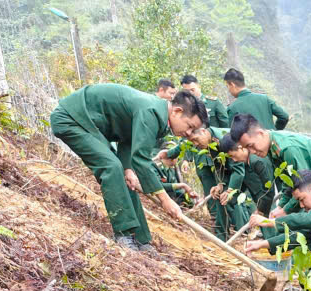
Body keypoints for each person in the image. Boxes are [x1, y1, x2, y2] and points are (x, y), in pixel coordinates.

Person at [50, 83, 207, 252]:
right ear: (177, 111)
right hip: (71, 119)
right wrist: (165, 199)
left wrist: (128, 169)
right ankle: (123, 235)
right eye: (190, 126)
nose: (189, 133)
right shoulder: (151, 111)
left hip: (89, 126)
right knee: (111, 167)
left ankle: (142, 240)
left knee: (125, 178)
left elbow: (128, 138)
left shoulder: (159, 116)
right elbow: (141, 160)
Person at [226, 114, 311, 215]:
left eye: (251, 145)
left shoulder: (287, 149)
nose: (252, 152)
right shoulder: (271, 148)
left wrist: (286, 210)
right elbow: (289, 182)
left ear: (260, 133)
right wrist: (281, 206)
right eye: (247, 148)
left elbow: (303, 185)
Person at [158, 125, 235, 239]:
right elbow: (186, 143)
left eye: (196, 140)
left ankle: (232, 229)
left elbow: (237, 169)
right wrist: (171, 154)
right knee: (217, 196)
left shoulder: (221, 138)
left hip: (232, 166)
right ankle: (222, 232)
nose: (195, 144)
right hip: (210, 166)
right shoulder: (198, 138)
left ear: (203, 131)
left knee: (231, 196)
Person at [217, 134, 276, 227]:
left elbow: (269, 189)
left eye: (233, 156)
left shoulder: (257, 160)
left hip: (267, 204)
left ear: (240, 147)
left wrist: (261, 211)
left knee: (271, 229)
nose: (234, 160)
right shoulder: (247, 162)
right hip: (261, 202)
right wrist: (230, 193)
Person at [223, 68, 288, 130]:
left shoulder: (233, 107)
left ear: (232, 85)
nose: (228, 90)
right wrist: (274, 132)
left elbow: (231, 133)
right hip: (270, 137)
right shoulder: (265, 98)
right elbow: (284, 117)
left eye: (227, 86)